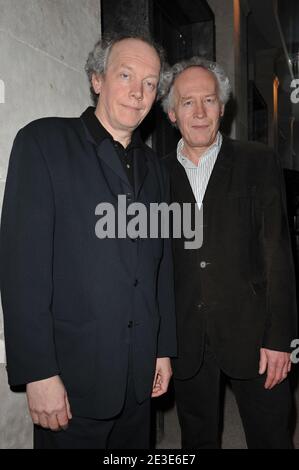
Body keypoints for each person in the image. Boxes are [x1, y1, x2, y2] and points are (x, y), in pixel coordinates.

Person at [0, 34, 176, 449]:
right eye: (126, 75)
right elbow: (21, 268)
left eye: (150, 83)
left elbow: (160, 265)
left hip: (137, 377)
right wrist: (38, 372)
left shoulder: (156, 167)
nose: (138, 92)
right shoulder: (42, 142)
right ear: (97, 79)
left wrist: (162, 348)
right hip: (71, 381)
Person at [162, 57, 297, 449]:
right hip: (187, 338)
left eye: (209, 100)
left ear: (223, 107)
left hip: (256, 334)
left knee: (272, 436)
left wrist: (280, 339)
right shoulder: (156, 174)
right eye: (188, 102)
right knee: (196, 439)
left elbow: (278, 253)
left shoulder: (259, 161)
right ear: (172, 113)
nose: (200, 112)